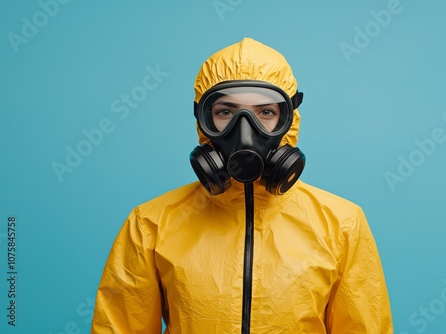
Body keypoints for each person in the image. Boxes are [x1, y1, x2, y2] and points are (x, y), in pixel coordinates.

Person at [91, 37, 393, 333]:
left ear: (289, 119)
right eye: (226, 112)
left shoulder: (342, 224)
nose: (245, 128)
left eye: (266, 112)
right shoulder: (150, 224)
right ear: (202, 119)